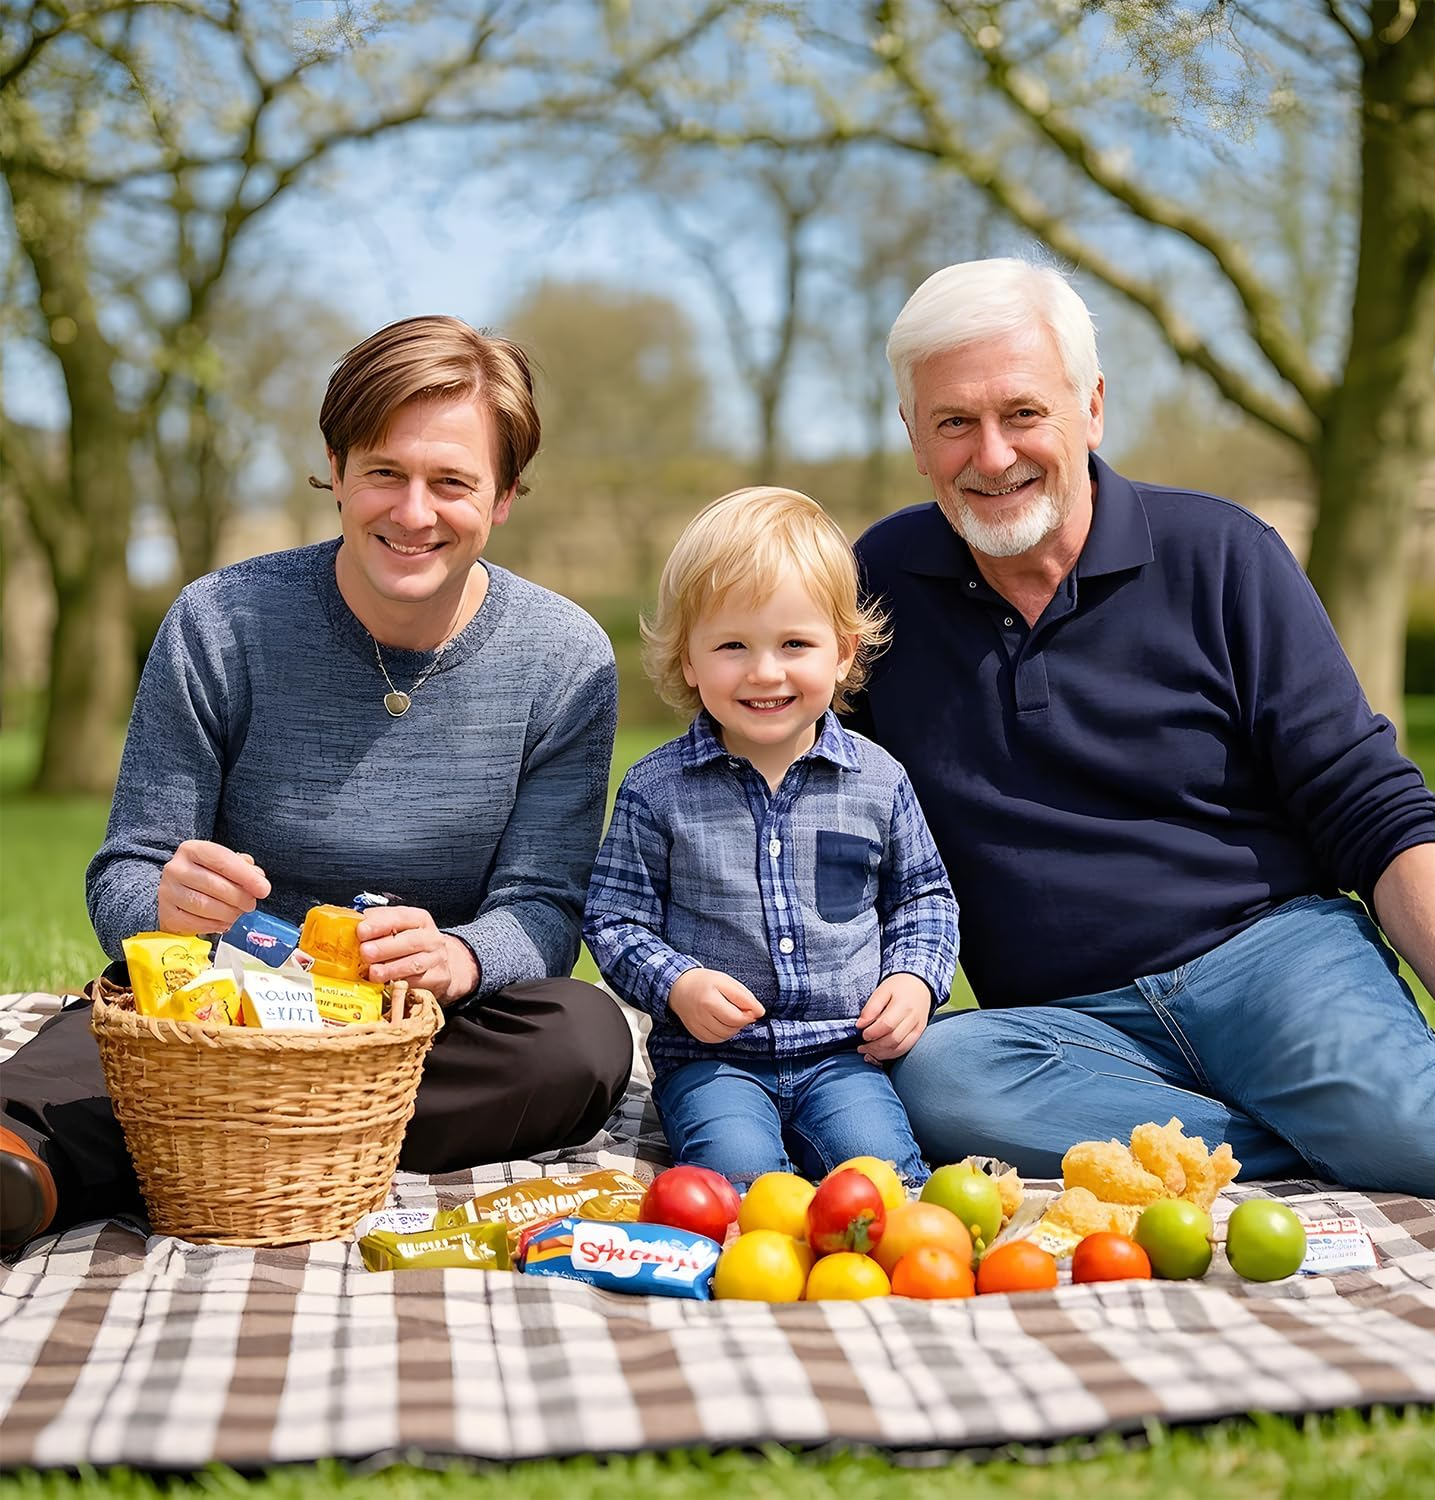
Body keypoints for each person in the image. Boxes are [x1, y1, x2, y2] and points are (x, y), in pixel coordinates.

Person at [846, 258, 1435, 1216]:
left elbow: (1374, 804)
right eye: (955, 422)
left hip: (1273, 964)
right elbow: (792, 783)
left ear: (1092, 408)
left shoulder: (1224, 554)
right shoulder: (876, 586)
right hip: (1062, 1028)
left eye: (1023, 413)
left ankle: (1360, 1128)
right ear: (913, 435)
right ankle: (1325, 1138)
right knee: (937, 1080)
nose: (991, 456)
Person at [0, 315, 634, 1252]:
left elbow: (542, 909)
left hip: (419, 1034)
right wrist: (165, 906)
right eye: (384, 471)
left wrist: (459, 958)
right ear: (335, 471)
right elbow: (126, 871)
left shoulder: (565, 657)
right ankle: (39, 1163)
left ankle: (179, 1141)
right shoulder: (221, 621)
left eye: (452, 482)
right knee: (104, 1035)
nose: (414, 512)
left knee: (583, 1041)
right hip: (218, 1010)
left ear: (502, 498)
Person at [583, 488, 959, 1188]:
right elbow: (613, 919)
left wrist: (914, 978)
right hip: (712, 1059)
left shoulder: (878, 781)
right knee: (740, 1180)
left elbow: (924, 898)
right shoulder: (656, 790)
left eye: (795, 644)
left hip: (844, 1055)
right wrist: (680, 983)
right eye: (732, 646)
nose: (764, 671)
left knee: (883, 1181)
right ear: (688, 660)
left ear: (843, 653)